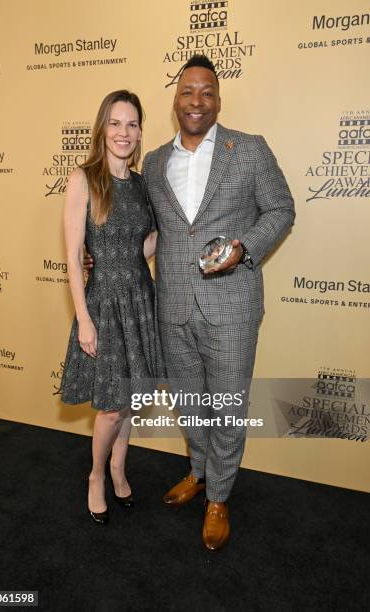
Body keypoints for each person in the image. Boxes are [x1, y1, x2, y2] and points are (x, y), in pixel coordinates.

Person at [86, 54, 295, 550]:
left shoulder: (249, 150)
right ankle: (199, 472)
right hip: (172, 307)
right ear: (175, 101)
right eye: (187, 92)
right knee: (190, 404)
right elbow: (150, 230)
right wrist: (106, 257)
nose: (196, 100)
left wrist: (244, 247)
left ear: (218, 99)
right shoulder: (155, 162)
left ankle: (219, 497)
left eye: (206, 91)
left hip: (233, 308)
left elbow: (282, 209)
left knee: (225, 405)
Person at [60, 90, 165, 525]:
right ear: (103, 128)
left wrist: (176, 236)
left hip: (141, 298)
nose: (124, 132)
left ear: (140, 132)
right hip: (104, 303)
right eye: (116, 123)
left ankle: (121, 468)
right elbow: (72, 255)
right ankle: (96, 476)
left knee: (130, 400)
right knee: (110, 405)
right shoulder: (84, 178)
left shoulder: (142, 184)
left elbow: (145, 245)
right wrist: (84, 319)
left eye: (133, 124)